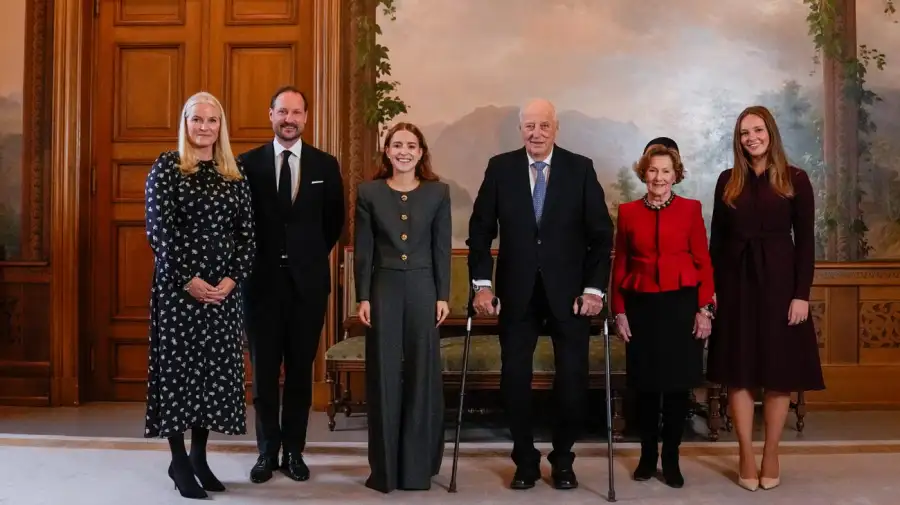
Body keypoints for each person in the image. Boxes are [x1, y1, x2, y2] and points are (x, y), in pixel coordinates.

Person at [467, 98, 614, 490]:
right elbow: (480, 230)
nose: (536, 133)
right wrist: (482, 285)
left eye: (543, 126)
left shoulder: (579, 169)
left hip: (571, 295)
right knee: (514, 378)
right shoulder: (500, 168)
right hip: (516, 293)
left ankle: (563, 459)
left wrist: (594, 290)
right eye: (529, 126)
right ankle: (525, 460)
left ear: (556, 128)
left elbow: (601, 236)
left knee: (572, 380)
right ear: (520, 129)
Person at [706, 105, 825, 492]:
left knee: (778, 373)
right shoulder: (727, 180)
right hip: (735, 284)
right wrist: (712, 293)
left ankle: (771, 452)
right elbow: (716, 244)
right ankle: (744, 451)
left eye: (757, 130)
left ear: (770, 133)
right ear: (738, 140)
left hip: (781, 285)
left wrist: (801, 296)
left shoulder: (795, 179)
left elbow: (805, 243)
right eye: (744, 133)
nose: (751, 138)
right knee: (738, 372)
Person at [143, 91, 255, 500]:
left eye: (211, 120)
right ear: (185, 123)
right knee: (178, 374)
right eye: (196, 119)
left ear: (220, 126)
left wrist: (230, 279)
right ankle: (177, 461)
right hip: (178, 291)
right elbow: (160, 232)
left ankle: (199, 456)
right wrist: (188, 279)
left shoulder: (234, 173)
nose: (204, 127)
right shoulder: (167, 168)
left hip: (222, 294)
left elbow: (247, 235)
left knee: (213, 375)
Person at [239, 85, 345, 483]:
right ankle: (266, 452)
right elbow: (239, 225)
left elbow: (334, 223)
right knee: (264, 374)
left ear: (306, 118)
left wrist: (305, 255)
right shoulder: (246, 164)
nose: (289, 119)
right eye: (282, 111)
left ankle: (295, 453)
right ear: (270, 115)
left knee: (301, 373)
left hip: (307, 286)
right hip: (260, 286)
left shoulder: (325, 165)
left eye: (296, 112)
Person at [610, 138, 714, 488]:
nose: (658, 177)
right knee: (644, 388)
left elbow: (703, 262)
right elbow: (620, 264)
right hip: (641, 307)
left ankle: (670, 458)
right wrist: (619, 312)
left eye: (665, 171)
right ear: (644, 172)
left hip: (681, 306)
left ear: (675, 174)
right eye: (653, 170)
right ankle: (645, 455)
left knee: (674, 389)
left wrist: (704, 309)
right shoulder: (627, 213)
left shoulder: (690, 209)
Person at [353, 122, 452, 493]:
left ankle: (417, 469)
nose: (404, 151)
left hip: (425, 289)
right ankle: (386, 471)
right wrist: (363, 296)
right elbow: (365, 251)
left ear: (421, 152)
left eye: (411, 145)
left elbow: (441, 248)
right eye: (397, 145)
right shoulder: (369, 193)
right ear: (387, 151)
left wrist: (443, 295)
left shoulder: (437, 193)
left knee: (422, 376)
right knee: (383, 376)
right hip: (384, 290)